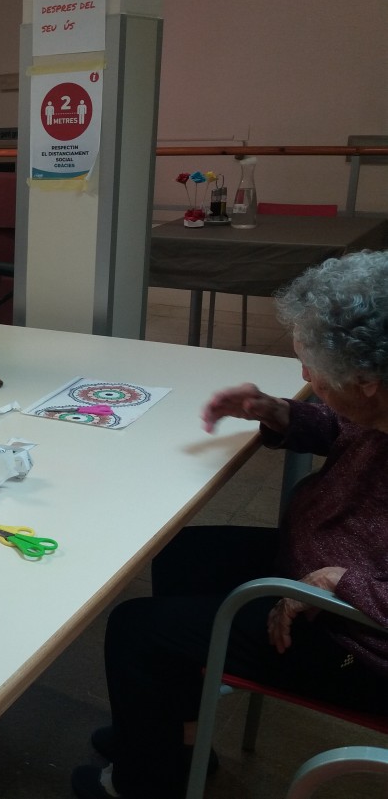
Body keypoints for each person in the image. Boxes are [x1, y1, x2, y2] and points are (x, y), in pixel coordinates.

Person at [72, 250, 388, 799]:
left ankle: (146, 784)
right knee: (183, 555)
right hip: (324, 565)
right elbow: (350, 427)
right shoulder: (380, 396)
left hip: (359, 641)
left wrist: (341, 584)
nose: (304, 376)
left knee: (135, 630)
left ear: (364, 378)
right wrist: (278, 411)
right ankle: (176, 740)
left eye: (313, 368)